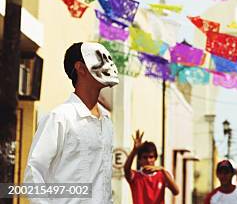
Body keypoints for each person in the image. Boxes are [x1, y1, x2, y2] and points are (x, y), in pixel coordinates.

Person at [23, 42, 119, 203]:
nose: (108, 64)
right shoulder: (60, 117)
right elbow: (34, 173)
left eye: (108, 58)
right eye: (100, 59)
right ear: (80, 68)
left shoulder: (107, 121)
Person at [123, 130, 179, 203]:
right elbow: (126, 169)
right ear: (139, 160)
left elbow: (176, 192)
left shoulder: (163, 174)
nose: (148, 160)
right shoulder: (135, 176)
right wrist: (134, 151)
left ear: (155, 158)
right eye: (145, 157)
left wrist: (162, 170)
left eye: (151, 157)